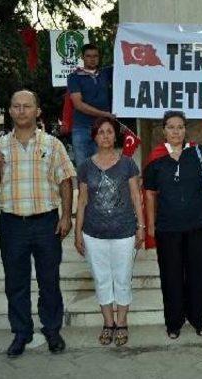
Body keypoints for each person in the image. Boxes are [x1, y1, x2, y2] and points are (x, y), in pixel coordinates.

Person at [0, 90, 75, 358]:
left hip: (46, 223)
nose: (21, 111)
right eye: (16, 106)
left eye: (27, 106)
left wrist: (66, 216)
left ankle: (53, 330)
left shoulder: (52, 144)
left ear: (37, 111)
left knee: (49, 280)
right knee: (16, 282)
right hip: (12, 225)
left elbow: (66, 180)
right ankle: (21, 333)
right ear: (10, 111)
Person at [144, 111, 202, 339]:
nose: (176, 131)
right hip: (167, 229)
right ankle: (174, 323)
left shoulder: (197, 152)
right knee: (171, 277)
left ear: (186, 130)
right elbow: (150, 194)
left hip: (198, 226)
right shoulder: (155, 158)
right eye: (171, 127)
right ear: (164, 130)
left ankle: (197, 319)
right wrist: (151, 226)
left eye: (180, 127)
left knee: (198, 274)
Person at [74, 117, 145, 346]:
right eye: (101, 132)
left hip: (124, 232)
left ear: (116, 136)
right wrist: (77, 233)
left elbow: (136, 197)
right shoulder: (85, 166)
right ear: (94, 137)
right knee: (102, 279)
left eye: (109, 132)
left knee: (122, 278)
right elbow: (82, 200)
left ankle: (122, 322)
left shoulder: (127, 164)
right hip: (93, 233)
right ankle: (108, 323)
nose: (105, 136)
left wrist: (141, 227)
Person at [67, 43, 114, 166]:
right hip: (81, 128)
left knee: (103, 166)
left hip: (102, 129)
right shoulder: (74, 77)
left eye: (95, 56)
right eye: (88, 56)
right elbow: (78, 105)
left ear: (99, 57)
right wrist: (104, 114)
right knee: (83, 169)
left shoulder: (106, 73)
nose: (92, 59)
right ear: (82, 57)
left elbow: (124, 64)